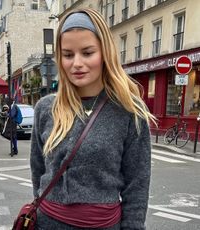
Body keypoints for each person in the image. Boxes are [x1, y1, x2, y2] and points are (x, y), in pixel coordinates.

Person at [30, 8, 156, 230]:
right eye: (68, 55)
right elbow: (38, 174)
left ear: (105, 53)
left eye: (87, 53)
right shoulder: (45, 109)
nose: (76, 63)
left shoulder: (129, 111)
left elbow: (137, 187)